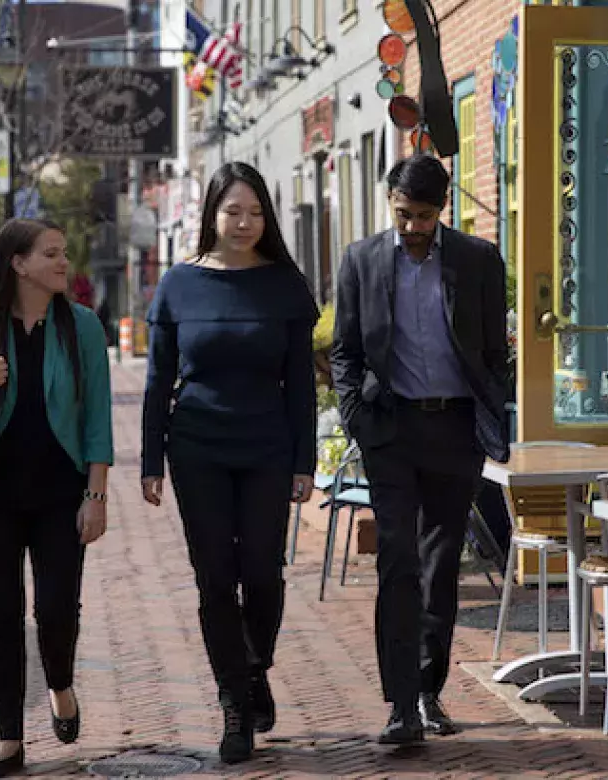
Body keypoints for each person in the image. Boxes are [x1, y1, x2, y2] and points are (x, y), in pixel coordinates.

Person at [330, 154, 511, 746]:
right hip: (391, 430)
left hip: (454, 431)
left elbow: (493, 352)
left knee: (440, 567)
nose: (412, 227)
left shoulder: (478, 260)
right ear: (390, 202)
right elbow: (345, 351)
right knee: (397, 562)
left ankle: (430, 694)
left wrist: (496, 405)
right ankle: (401, 704)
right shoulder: (360, 261)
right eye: (404, 214)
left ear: (443, 208)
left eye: (425, 216)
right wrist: (356, 416)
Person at [140, 162, 318, 764]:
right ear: (211, 214)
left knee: (263, 572)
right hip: (196, 448)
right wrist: (149, 460)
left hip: (267, 446)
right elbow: (158, 378)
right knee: (216, 578)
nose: (244, 223)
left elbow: (300, 385)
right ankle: (235, 705)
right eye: (233, 211)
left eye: (255, 213)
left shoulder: (285, 286)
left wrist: (304, 461)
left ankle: (254, 664)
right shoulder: (178, 285)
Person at [0, 219, 114, 778]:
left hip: (61, 493)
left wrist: (96, 494)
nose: (64, 263)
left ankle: (60, 682)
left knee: (56, 611)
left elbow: (97, 418)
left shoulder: (80, 326)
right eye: (52, 254)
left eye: (64, 252)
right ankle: (8, 740)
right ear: (18, 263)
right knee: (1, 615)